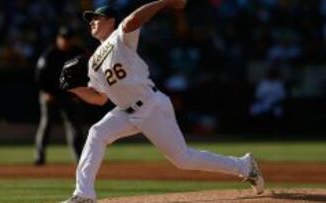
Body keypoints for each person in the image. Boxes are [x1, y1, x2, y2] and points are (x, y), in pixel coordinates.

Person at [60, 1, 264, 202]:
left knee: (183, 159)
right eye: (90, 19)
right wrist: (75, 89)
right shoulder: (93, 62)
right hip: (125, 112)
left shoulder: (119, 38)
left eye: (97, 18)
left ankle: (245, 166)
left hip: (150, 105)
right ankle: (84, 195)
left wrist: (165, 2)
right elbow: (99, 98)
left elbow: (133, 19)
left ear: (111, 21)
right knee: (97, 132)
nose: (92, 22)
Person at [34, 26, 88, 166]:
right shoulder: (49, 54)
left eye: (68, 39)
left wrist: (81, 92)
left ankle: (79, 158)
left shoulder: (78, 53)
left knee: (74, 126)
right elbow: (39, 76)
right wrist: (46, 92)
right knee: (46, 125)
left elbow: (88, 74)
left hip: (69, 95)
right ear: (58, 39)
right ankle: (40, 156)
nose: (65, 41)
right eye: (63, 38)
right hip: (50, 95)